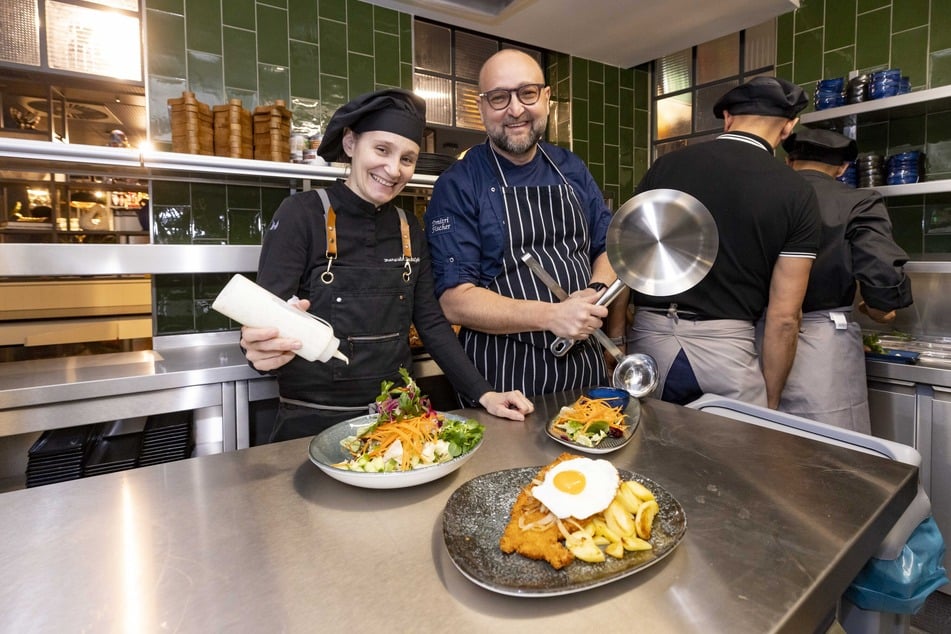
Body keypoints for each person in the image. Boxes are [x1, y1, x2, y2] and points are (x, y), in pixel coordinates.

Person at [240, 88, 534, 443]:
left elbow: (431, 323)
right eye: (381, 150)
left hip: (396, 424)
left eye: (407, 159)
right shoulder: (300, 215)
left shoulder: (409, 227)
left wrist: (484, 393)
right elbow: (264, 320)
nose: (393, 170)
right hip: (312, 425)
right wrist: (256, 349)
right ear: (350, 144)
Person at [423, 49, 627, 397]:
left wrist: (594, 292)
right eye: (500, 98)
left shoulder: (571, 168)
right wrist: (552, 316)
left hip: (586, 369)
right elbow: (455, 301)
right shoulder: (458, 184)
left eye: (527, 93)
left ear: (546, 98)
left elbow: (610, 247)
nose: (515, 110)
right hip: (502, 379)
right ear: (483, 106)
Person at [626, 76, 821, 409]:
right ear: (789, 126)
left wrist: (616, 341)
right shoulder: (796, 192)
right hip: (727, 354)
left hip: (648, 349)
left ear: (727, 117)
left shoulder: (665, 167)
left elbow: (626, 259)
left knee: (641, 451)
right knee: (733, 458)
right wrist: (771, 400)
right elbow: (784, 317)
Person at [770, 128, 913, 432]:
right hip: (823, 344)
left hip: (756, 339)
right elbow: (881, 270)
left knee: (768, 445)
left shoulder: (762, 197)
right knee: (834, 452)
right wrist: (880, 306)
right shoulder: (858, 202)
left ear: (789, 160)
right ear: (843, 168)